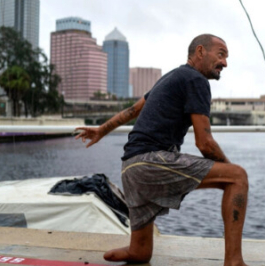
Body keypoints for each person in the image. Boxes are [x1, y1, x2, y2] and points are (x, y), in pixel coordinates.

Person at [75, 34, 248, 266]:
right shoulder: (196, 80)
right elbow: (204, 143)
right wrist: (229, 169)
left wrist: (101, 131)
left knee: (141, 253)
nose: (225, 62)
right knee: (237, 178)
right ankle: (234, 262)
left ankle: (133, 250)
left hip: (130, 167)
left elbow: (132, 110)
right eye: (221, 54)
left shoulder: (170, 78)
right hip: (150, 162)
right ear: (200, 51)